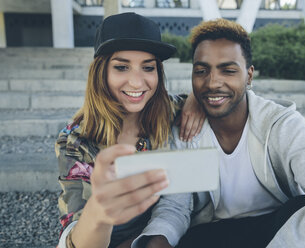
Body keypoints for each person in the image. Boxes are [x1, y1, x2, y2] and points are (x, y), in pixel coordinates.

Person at [133, 18, 305, 248]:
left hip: (276, 232)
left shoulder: (281, 126)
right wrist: (158, 241)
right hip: (216, 234)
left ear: (249, 75)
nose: (212, 82)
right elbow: (177, 206)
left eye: (228, 70)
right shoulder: (187, 130)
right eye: (202, 71)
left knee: (302, 207)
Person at [55, 12, 204, 248]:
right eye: (122, 67)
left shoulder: (169, 110)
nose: (137, 82)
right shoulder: (75, 140)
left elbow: (214, 97)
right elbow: (75, 236)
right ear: (100, 72)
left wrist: (196, 101)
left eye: (148, 67)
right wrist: (99, 212)